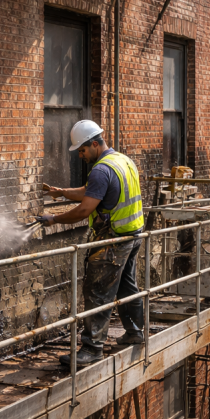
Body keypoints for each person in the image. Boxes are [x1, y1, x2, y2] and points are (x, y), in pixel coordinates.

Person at [41, 120, 145, 367]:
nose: (80, 154)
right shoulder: (121, 160)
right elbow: (93, 191)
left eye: (82, 150)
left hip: (114, 240)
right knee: (126, 286)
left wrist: (53, 219)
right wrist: (62, 191)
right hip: (133, 234)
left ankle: (92, 349)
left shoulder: (100, 169)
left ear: (95, 144)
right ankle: (135, 333)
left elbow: (85, 208)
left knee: (97, 291)